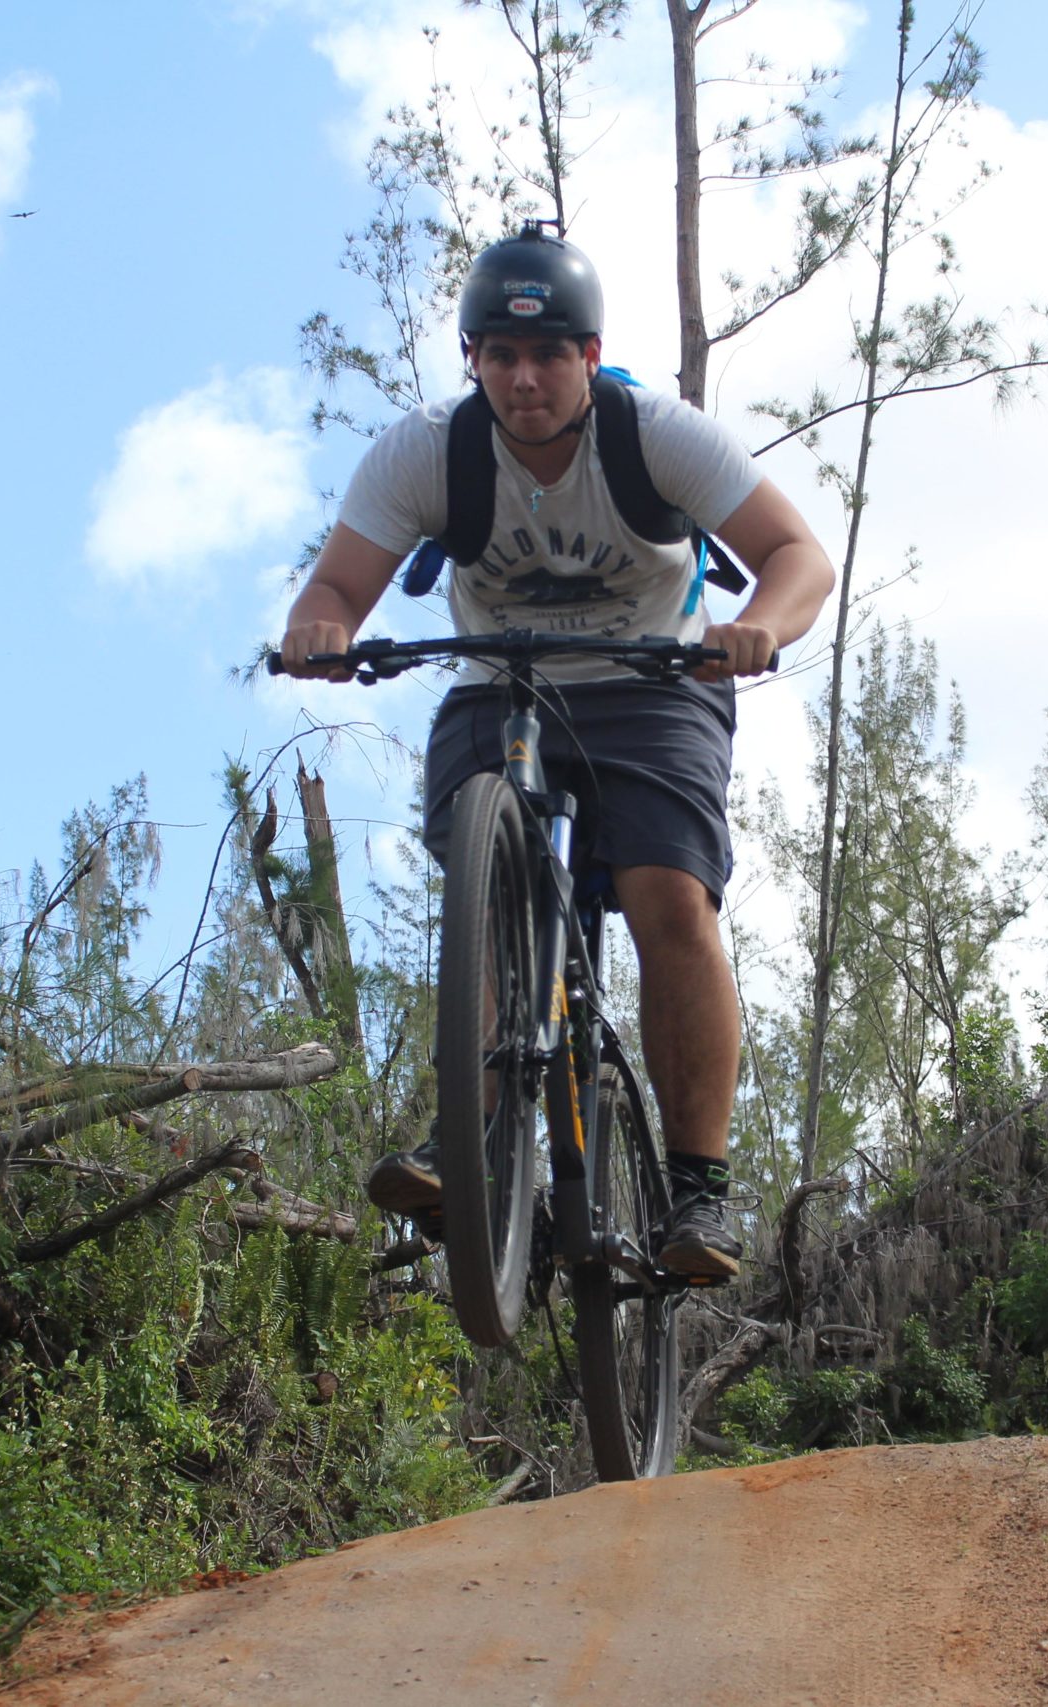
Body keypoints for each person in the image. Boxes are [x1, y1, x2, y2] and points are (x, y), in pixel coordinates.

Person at [278, 224, 835, 1280]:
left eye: (547, 356)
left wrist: (761, 624)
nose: (524, 379)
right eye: (500, 356)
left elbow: (797, 554)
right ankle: (477, 1145)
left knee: (668, 896)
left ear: (588, 357)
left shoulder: (656, 436)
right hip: (500, 681)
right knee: (488, 899)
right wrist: (323, 633)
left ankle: (700, 1191)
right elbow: (336, 589)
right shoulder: (425, 454)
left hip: (654, 688)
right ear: (473, 362)